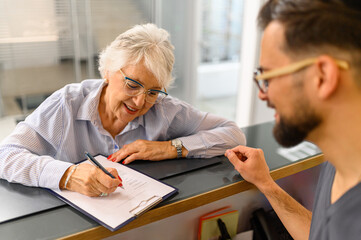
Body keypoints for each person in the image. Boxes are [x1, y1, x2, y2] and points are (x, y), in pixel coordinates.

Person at [0, 23, 246, 197]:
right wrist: (67, 174)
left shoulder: (164, 109)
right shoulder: (66, 104)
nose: (140, 103)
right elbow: (6, 155)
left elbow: (233, 134)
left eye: (152, 91)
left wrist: (170, 148)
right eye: (132, 85)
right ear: (107, 70)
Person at [225, 0, 361, 239]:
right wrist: (265, 183)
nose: (262, 93)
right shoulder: (337, 163)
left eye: (268, 77)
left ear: (322, 77)